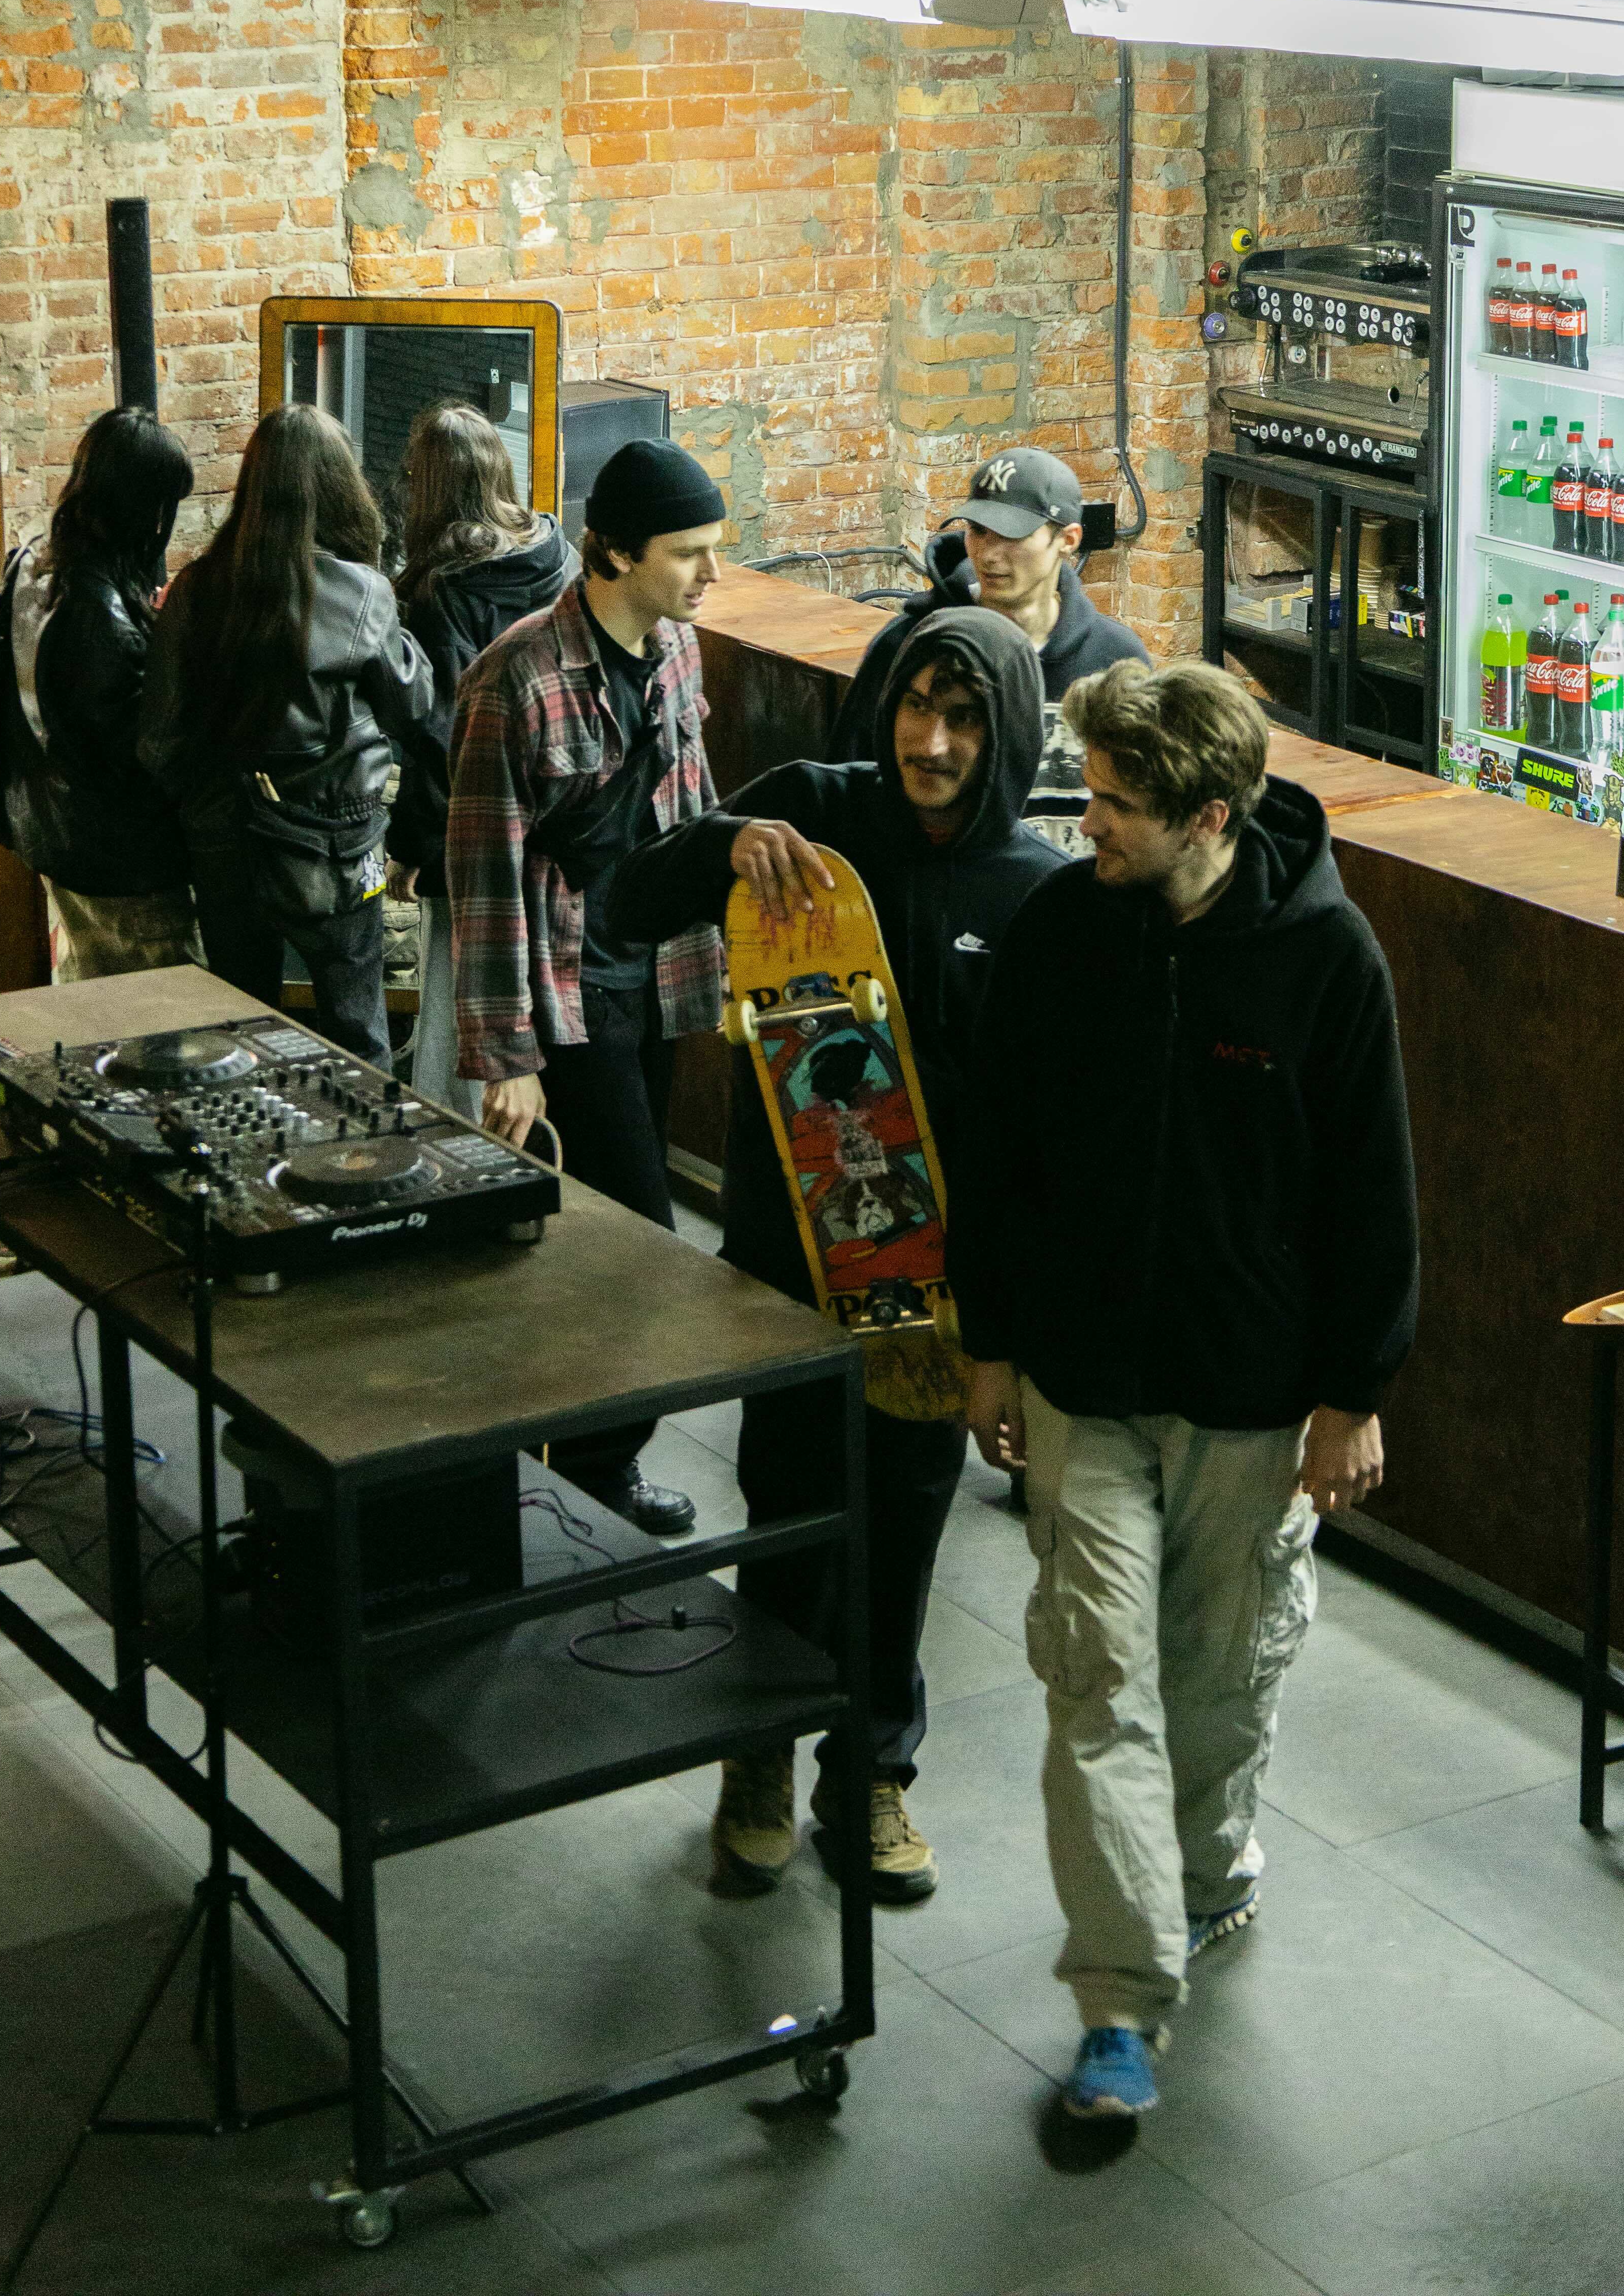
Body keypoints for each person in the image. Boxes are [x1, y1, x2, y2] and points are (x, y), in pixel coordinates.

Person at [949, 657, 1419, 2126]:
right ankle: (1123, 2003)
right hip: (1081, 1379)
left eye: (1113, 806)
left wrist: (1354, 1390)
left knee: (1215, 1685)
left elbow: (1371, 1191)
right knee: (1097, 1676)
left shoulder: (1328, 961)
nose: (1082, 823)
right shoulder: (1055, 932)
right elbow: (997, 1149)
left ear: (1208, 816)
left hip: (1246, 1391)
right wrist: (987, 1339)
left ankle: (1208, 1877)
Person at [614, 608, 1064, 1903]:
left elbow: (1031, 1129)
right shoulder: (814, 810)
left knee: (903, 1530)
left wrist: (999, 1327)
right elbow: (631, 901)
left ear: (1007, 733)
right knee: (790, 1511)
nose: (931, 742)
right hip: (782, 1261)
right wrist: (720, 841)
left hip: (933, 1286)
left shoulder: (1030, 891)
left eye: (965, 719)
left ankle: (868, 1776)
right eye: (918, 708)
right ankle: (755, 1757)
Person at [444, 436, 729, 1538]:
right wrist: (505, 1054)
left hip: (654, 976)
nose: (710, 576)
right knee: (644, 1243)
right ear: (611, 551)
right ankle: (593, 1460)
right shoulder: (514, 675)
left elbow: (693, 811)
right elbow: (480, 873)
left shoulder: (677, 651)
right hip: (560, 988)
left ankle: (577, 1452)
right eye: (688, 553)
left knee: (611, 1236)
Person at [138, 403, 435, 1068]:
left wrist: (208, 808)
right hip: (340, 843)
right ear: (340, 487)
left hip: (225, 846)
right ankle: (365, 1164)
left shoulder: (193, 589)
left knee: (241, 1037)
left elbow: (157, 742)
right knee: (358, 1031)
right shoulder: (363, 592)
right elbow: (415, 709)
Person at [383, 402, 578, 1118]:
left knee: (461, 1004)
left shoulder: (441, 592)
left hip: (480, 827)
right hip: (561, 813)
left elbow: (442, 739)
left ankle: (469, 1155)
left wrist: (414, 852)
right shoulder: (559, 555)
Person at [832, 446, 1148, 841]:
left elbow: (1148, 806)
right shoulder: (908, 646)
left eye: (1012, 535)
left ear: (1068, 539)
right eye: (979, 531)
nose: (989, 554)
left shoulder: (1115, 657)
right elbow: (845, 790)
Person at [0, 405, 200, 981]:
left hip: (52, 832)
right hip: (119, 861)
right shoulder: (100, 619)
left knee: (88, 1002)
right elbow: (134, 758)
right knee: (167, 1020)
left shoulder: (33, 562)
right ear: (145, 510)